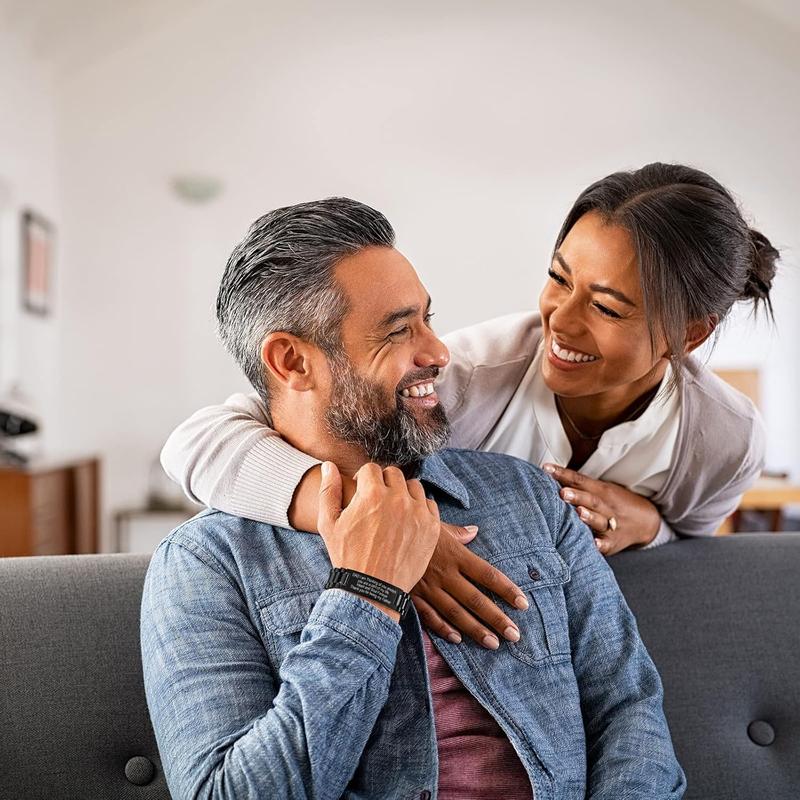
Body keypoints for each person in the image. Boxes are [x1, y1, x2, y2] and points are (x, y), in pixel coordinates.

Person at [141, 198, 685, 799]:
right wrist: (365, 591)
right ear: (292, 361)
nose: (439, 352)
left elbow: (629, 711)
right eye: (400, 330)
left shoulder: (530, 498)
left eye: (428, 319)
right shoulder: (208, 563)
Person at [161, 163, 777, 649]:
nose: (559, 320)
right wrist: (388, 527)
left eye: (607, 307)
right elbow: (198, 442)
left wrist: (651, 527)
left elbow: (694, 548)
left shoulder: (725, 439)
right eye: (558, 278)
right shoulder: (465, 377)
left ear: (689, 334)